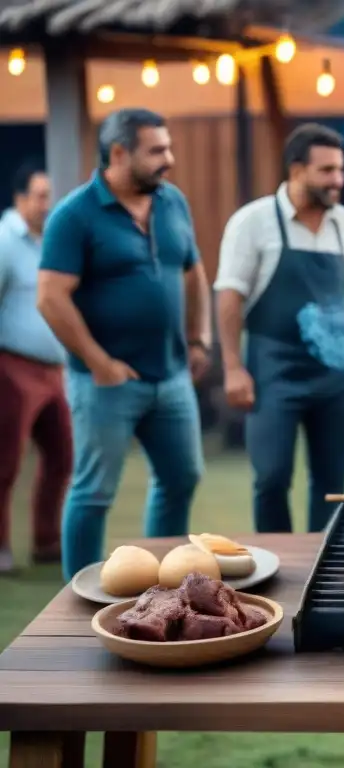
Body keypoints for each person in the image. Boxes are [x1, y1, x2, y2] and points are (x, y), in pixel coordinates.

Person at [37, 109, 210, 581]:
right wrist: (99, 362)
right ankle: (77, 596)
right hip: (106, 384)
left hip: (172, 376)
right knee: (93, 493)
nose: (169, 159)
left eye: (168, 147)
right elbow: (50, 297)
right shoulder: (74, 215)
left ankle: (168, 583)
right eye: (157, 150)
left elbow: (193, 272)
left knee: (181, 480)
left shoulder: (172, 202)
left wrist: (200, 338)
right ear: (118, 153)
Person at [216, 123, 344, 534]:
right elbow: (229, 296)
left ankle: (321, 566)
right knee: (270, 478)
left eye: (340, 170)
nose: (338, 180)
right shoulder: (252, 222)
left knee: (331, 483)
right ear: (297, 169)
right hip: (273, 368)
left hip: (335, 373)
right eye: (326, 171)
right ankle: (277, 560)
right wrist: (234, 367)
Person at [0, 165, 71, 573]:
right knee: (5, 463)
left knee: (62, 455)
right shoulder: (7, 242)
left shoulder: (45, 242)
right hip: (12, 368)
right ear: (20, 198)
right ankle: (1, 547)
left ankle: (47, 542)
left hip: (51, 371)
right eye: (40, 196)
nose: (47, 204)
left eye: (49, 196)